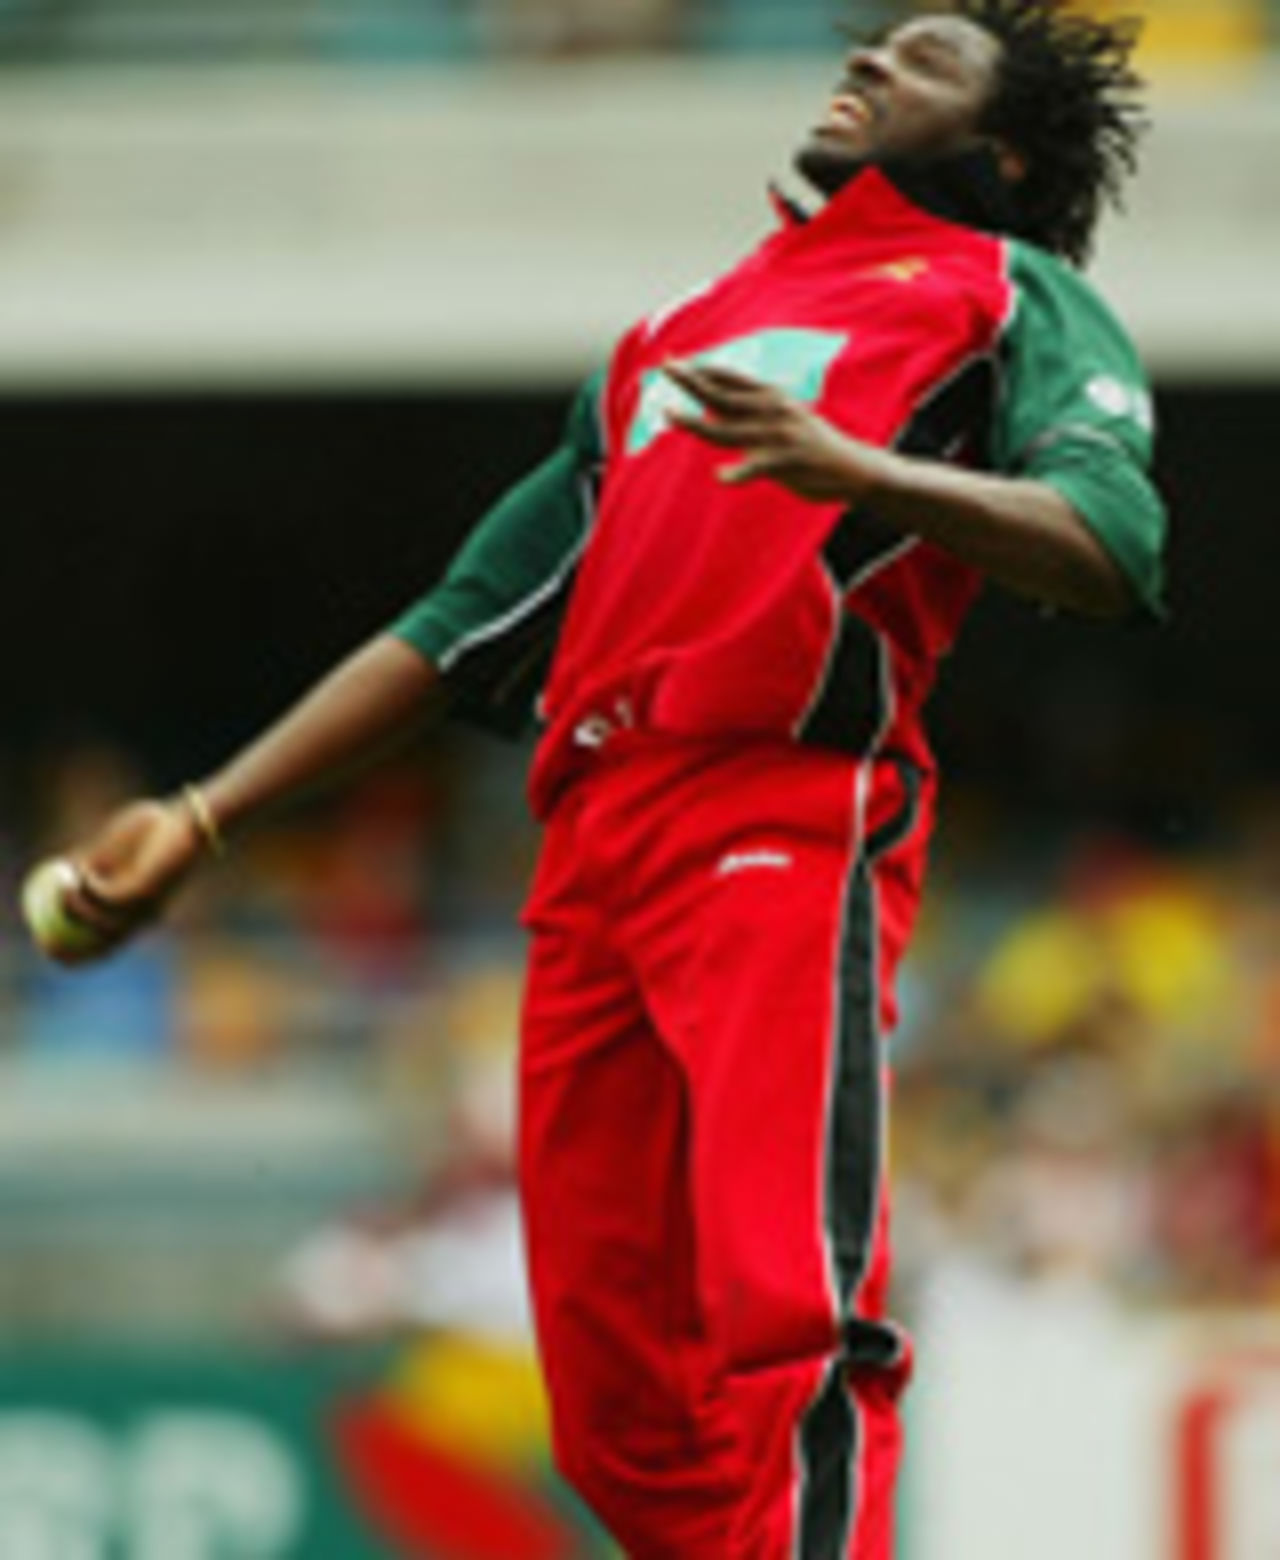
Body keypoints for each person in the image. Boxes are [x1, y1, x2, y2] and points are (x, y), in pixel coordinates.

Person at [40, 2, 1167, 1554]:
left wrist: (870, 475)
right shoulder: (674, 332)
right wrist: (208, 813)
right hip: (590, 850)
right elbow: (457, 621)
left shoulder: (1005, 293)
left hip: (781, 810)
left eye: (922, 58)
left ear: (1002, 147)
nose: (865, 59)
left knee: (793, 1312)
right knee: (616, 1401)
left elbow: (1115, 543)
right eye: (868, 41)